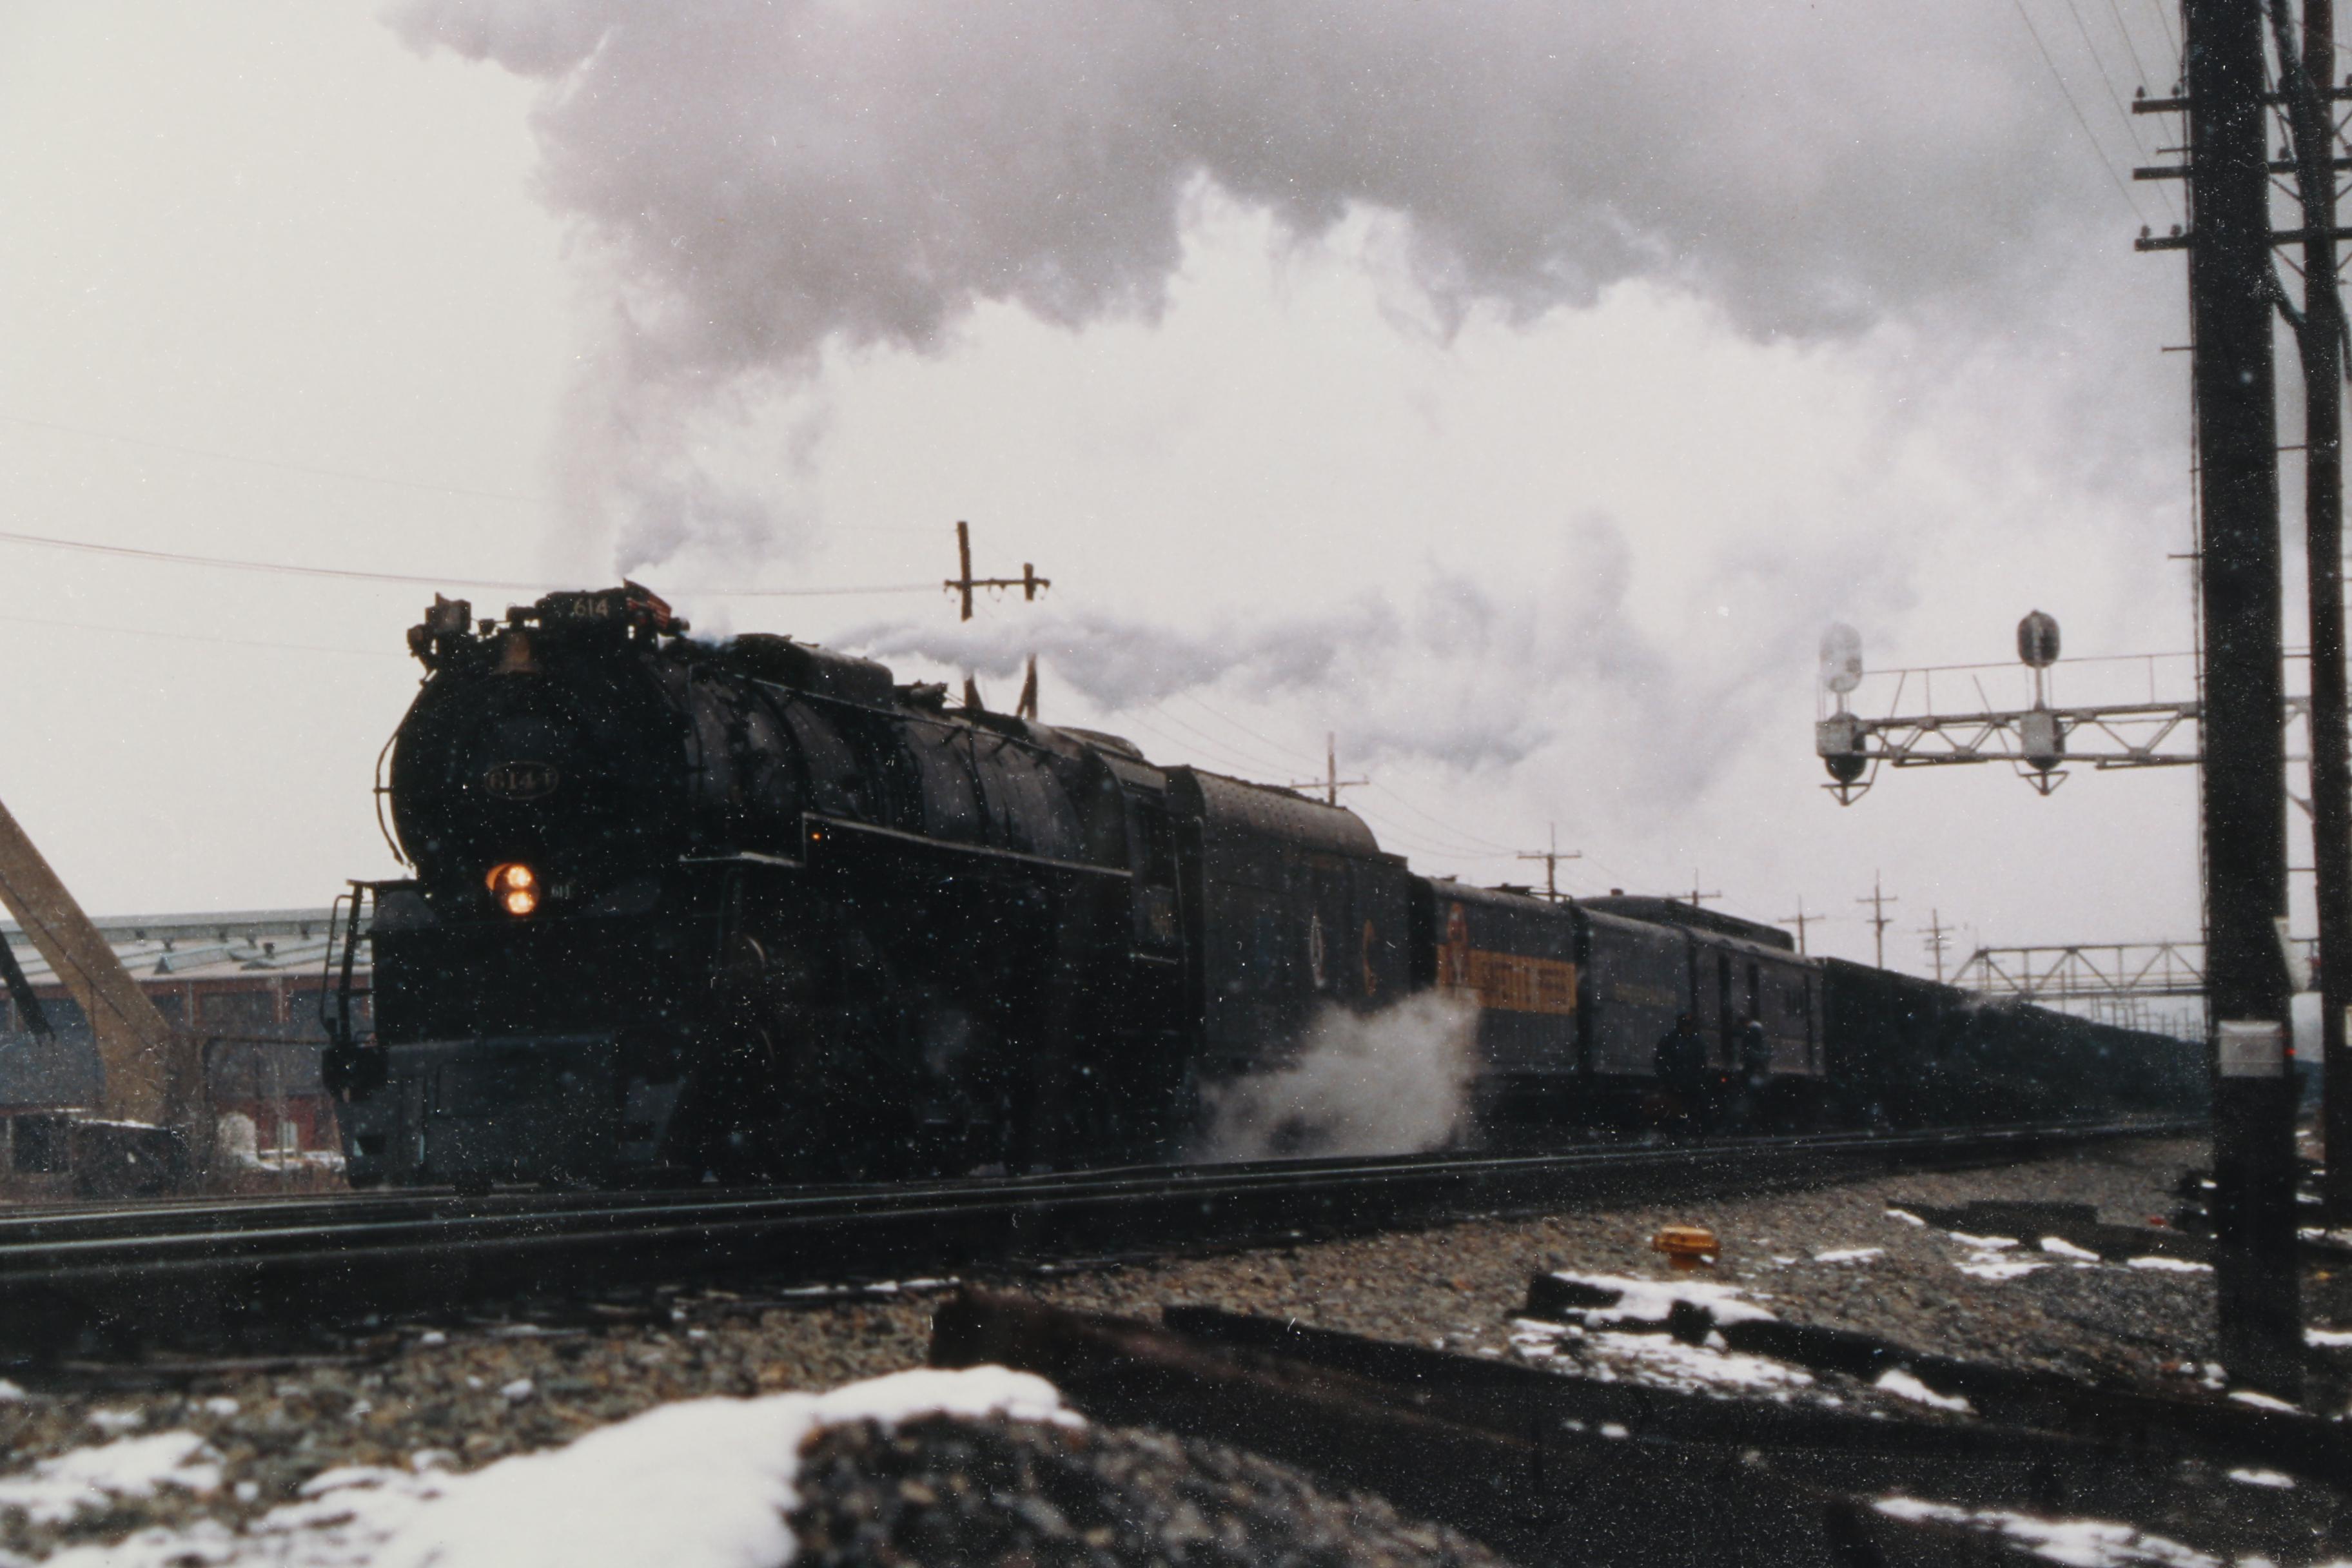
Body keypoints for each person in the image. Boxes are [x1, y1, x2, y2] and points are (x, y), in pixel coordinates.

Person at [1653, 1012, 1709, 1132]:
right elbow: (1661, 1061)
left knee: (1695, 1106)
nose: (1687, 1027)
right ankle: (1678, 1128)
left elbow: (1702, 1062)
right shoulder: (1670, 1040)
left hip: (1689, 1082)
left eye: (1689, 1024)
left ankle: (1691, 1128)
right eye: (1685, 1024)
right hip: (1676, 1082)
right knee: (1676, 1108)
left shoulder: (1695, 1042)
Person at [1734, 1015, 1772, 1130]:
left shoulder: (1752, 1032)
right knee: (1757, 1095)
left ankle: (1752, 1121)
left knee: (1751, 1094)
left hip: (1753, 1067)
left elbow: (1749, 1049)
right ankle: (1759, 1121)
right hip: (1758, 1067)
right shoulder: (1757, 1032)